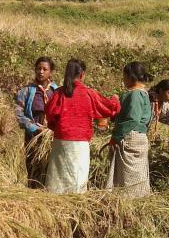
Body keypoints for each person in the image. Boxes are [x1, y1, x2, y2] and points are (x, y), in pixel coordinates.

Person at [45, 58, 120, 194]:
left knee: (58, 176)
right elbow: (108, 107)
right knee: (77, 177)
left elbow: (50, 113)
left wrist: (56, 127)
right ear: (82, 74)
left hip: (61, 139)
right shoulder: (88, 93)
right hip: (80, 141)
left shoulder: (59, 93)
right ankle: (75, 202)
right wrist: (115, 99)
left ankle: (54, 202)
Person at [106, 62, 153, 198]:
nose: (123, 80)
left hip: (130, 136)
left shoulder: (135, 95)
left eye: (124, 77)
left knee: (127, 177)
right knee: (136, 174)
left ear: (130, 77)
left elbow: (132, 119)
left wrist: (116, 136)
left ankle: (128, 201)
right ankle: (136, 200)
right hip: (139, 137)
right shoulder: (143, 94)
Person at [15, 56, 58, 188]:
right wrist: (35, 128)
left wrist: (52, 130)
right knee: (33, 163)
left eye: (45, 69)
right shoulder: (26, 91)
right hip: (33, 136)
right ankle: (33, 192)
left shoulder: (57, 91)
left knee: (51, 164)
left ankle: (49, 191)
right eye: (38, 68)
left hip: (52, 135)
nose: (41, 72)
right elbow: (19, 114)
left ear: (50, 72)